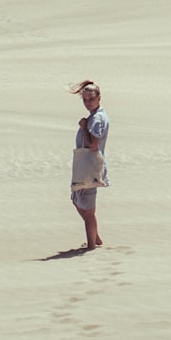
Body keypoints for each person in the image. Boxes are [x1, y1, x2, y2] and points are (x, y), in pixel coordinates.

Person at [69, 80, 110, 250]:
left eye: (90, 99)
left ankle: (92, 246)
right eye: (85, 100)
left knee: (87, 208)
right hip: (85, 165)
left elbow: (93, 145)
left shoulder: (97, 119)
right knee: (77, 200)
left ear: (99, 97)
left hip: (90, 166)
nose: (87, 103)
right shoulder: (94, 116)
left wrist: (84, 127)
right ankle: (96, 238)